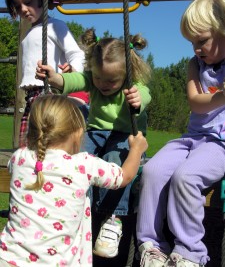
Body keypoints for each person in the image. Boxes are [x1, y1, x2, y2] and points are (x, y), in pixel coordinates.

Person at [35, 28, 151, 260]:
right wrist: (54, 77)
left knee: (116, 161)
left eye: (111, 80)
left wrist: (137, 99)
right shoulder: (92, 79)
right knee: (75, 158)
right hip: (97, 131)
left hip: (124, 134)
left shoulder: (133, 85)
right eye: (98, 78)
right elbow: (74, 79)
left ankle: (113, 219)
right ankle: (74, 207)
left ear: (127, 74)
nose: (102, 84)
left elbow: (144, 94)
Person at [0, 94, 148, 267]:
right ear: (78, 134)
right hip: (59, 262)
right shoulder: (83, 164)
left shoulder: (19, 159)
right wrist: (136, 150)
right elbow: (124, 176)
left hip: (9, 258)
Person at [136, 0, 225, 267]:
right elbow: (197, 103)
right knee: (152, 170)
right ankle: (150, 244)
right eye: (191, 42)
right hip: (192, 137)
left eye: (203, 40)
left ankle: (190, 252)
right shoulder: (193, 64)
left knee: (186, 176)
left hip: (220, 144)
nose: (197, 49)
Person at [5, 0, 87, 147]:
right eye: (18, 6)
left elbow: (77, 53)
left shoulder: (54, 26)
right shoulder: (29, 34)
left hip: (48, 93)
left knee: (47, 145)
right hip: (31, 97)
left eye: (28, 2)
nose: (24, 9)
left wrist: (72, 70)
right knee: (26, 146)